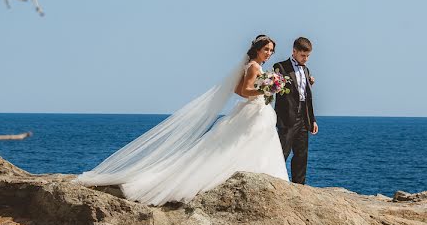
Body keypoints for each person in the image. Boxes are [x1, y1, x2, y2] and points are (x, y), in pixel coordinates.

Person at [74, 35, 289, 205]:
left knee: (244, 143)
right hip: (254, 110)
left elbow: (237, 89)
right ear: (257, 49)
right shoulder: (253, 66)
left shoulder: (255, 66)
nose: (268, 53)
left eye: (271, 50)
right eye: (266, 49)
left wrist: (265, 88)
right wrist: (265, 88)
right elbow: (244, 90)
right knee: (241, 143)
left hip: (257, 109)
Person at [273, 37, 317, 185]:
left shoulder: (306, 69)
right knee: (282, 152)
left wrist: (312, 120)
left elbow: (306, 97)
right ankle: (276, 181)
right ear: (294, 52)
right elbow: (278, 91)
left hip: (304, 118)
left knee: (301, 154)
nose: (305, 59)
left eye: (308, 56)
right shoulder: (280, 66)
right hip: (287, 117)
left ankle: (299, 185)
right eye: (302, 55)